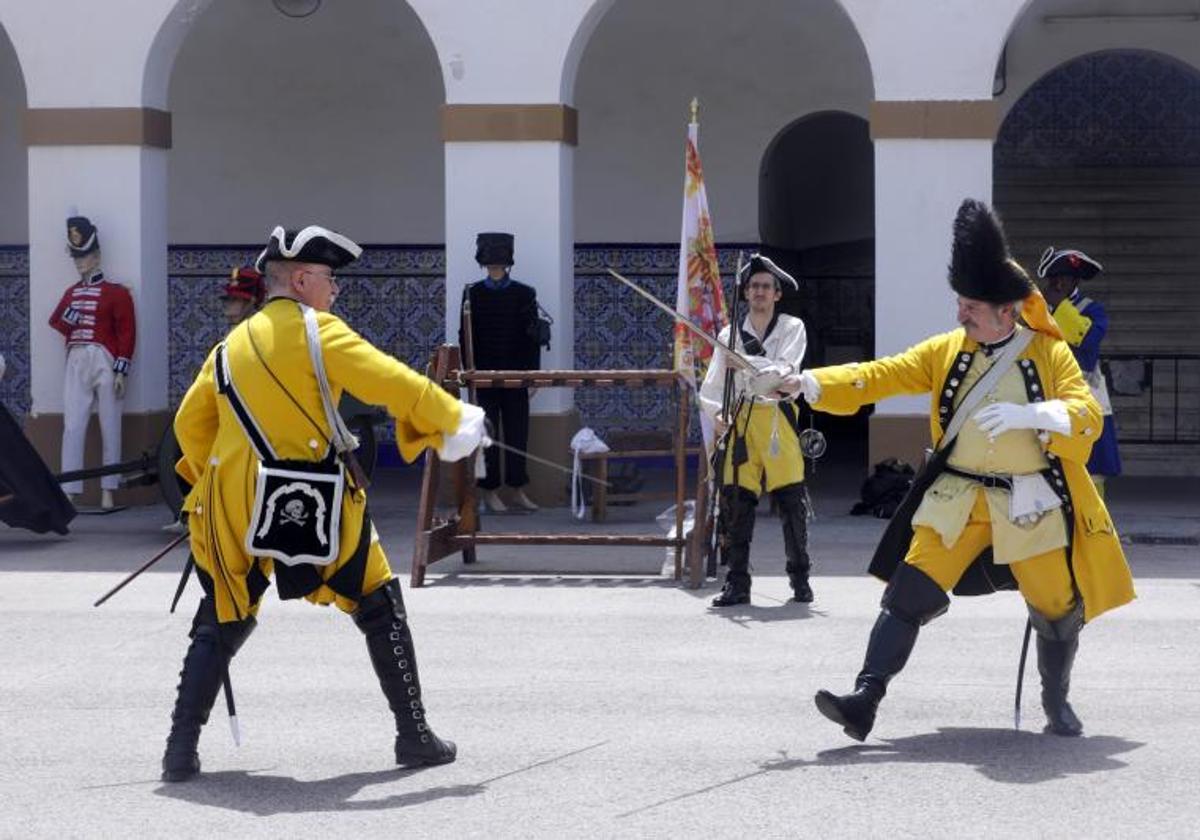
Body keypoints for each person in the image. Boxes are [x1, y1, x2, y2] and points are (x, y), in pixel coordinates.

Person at [792, 199, 1134, 740]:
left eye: (972, 307)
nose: (961, 315)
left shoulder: (1049, 354)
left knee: (1056, 606)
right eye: (960, 304)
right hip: (955, 499)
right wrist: (808, 384)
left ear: (1007, 311)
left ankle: (1056, 702)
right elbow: (881, 374)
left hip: (1028, 504)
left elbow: (1085, 412)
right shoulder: (946, 349)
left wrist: (1036, 412)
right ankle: (865, 698)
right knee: (907, 594)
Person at [162, 225, 486, 782]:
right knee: (379, 602)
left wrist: (205, 491)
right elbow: (394, 383)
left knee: (222, 613)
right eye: (330, 279)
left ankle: (179, 751)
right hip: (306, 496)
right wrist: (453, 419)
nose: (335, 291)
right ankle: (413, 737)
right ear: (303, 279)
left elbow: (191, 427)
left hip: (231, 502)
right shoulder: (321, 333)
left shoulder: (228, 346)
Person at [699, 254, 813, 606]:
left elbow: (783, 374)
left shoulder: (792, 328)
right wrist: (718, 415)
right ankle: (737, 583)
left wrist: (746, 365)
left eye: (766, 287)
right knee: (736, 506)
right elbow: (712, 388)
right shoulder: (727, 335)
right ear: (746, 293)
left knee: (792, 505)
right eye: (754, 287)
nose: (760, 292)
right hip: (741, 422)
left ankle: (800, 578)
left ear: (777, 294)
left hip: (779, 421)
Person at [48, 216, 136, 509]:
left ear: (96, 256)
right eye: (77, 256)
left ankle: (108, 490)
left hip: (104, 359)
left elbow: (126, 331)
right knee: (73, 425)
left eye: (84, 256)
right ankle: (70, 490)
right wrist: (71, 317)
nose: (80, 262)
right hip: (76, 358)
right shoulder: (71, 293)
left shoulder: (117, 293)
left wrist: (121, 368)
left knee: (110, 423)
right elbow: (56, 322)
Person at [460, 232, 542, 513]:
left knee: (518, 434)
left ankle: (518, 489)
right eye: (491, 264)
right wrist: (468, 374)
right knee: (488, 435)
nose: (495, 268)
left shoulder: (524, 293)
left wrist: (533, 375)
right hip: (483, 377)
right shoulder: (472, 293)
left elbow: (533, 336)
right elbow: (465, 334)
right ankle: (489, 491)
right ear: (484, 264)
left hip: (516, 375)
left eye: (500, 264)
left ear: (507, 264)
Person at [1036, 247, 1120, 497]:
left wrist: (1060, 306)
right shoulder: (1037, 312)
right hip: (1046, 392)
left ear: (1074, 281)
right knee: (1046, 458)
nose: (1056, 283)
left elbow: (1087, 340)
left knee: (1091, 464)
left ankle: (1095, 522)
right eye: (1053, 278)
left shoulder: (1092, 309)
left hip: (1083, 393)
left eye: (1062, 278)